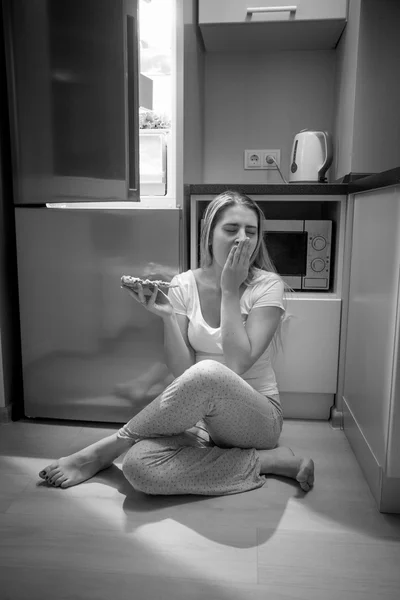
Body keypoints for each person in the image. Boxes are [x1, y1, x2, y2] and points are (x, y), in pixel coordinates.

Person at [39, 191, 314, 495]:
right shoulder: (184, 283)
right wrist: (167, 317)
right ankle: (266, 462)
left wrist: (230, 290)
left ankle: (104, 450)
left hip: (257, 420)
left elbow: (237, 364)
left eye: (251, 231)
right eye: (231, 229)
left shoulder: (267, 285)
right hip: (201, 422)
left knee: (209, 370)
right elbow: (183, 372)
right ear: (209, 234)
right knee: (138, 467)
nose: (242, 239)